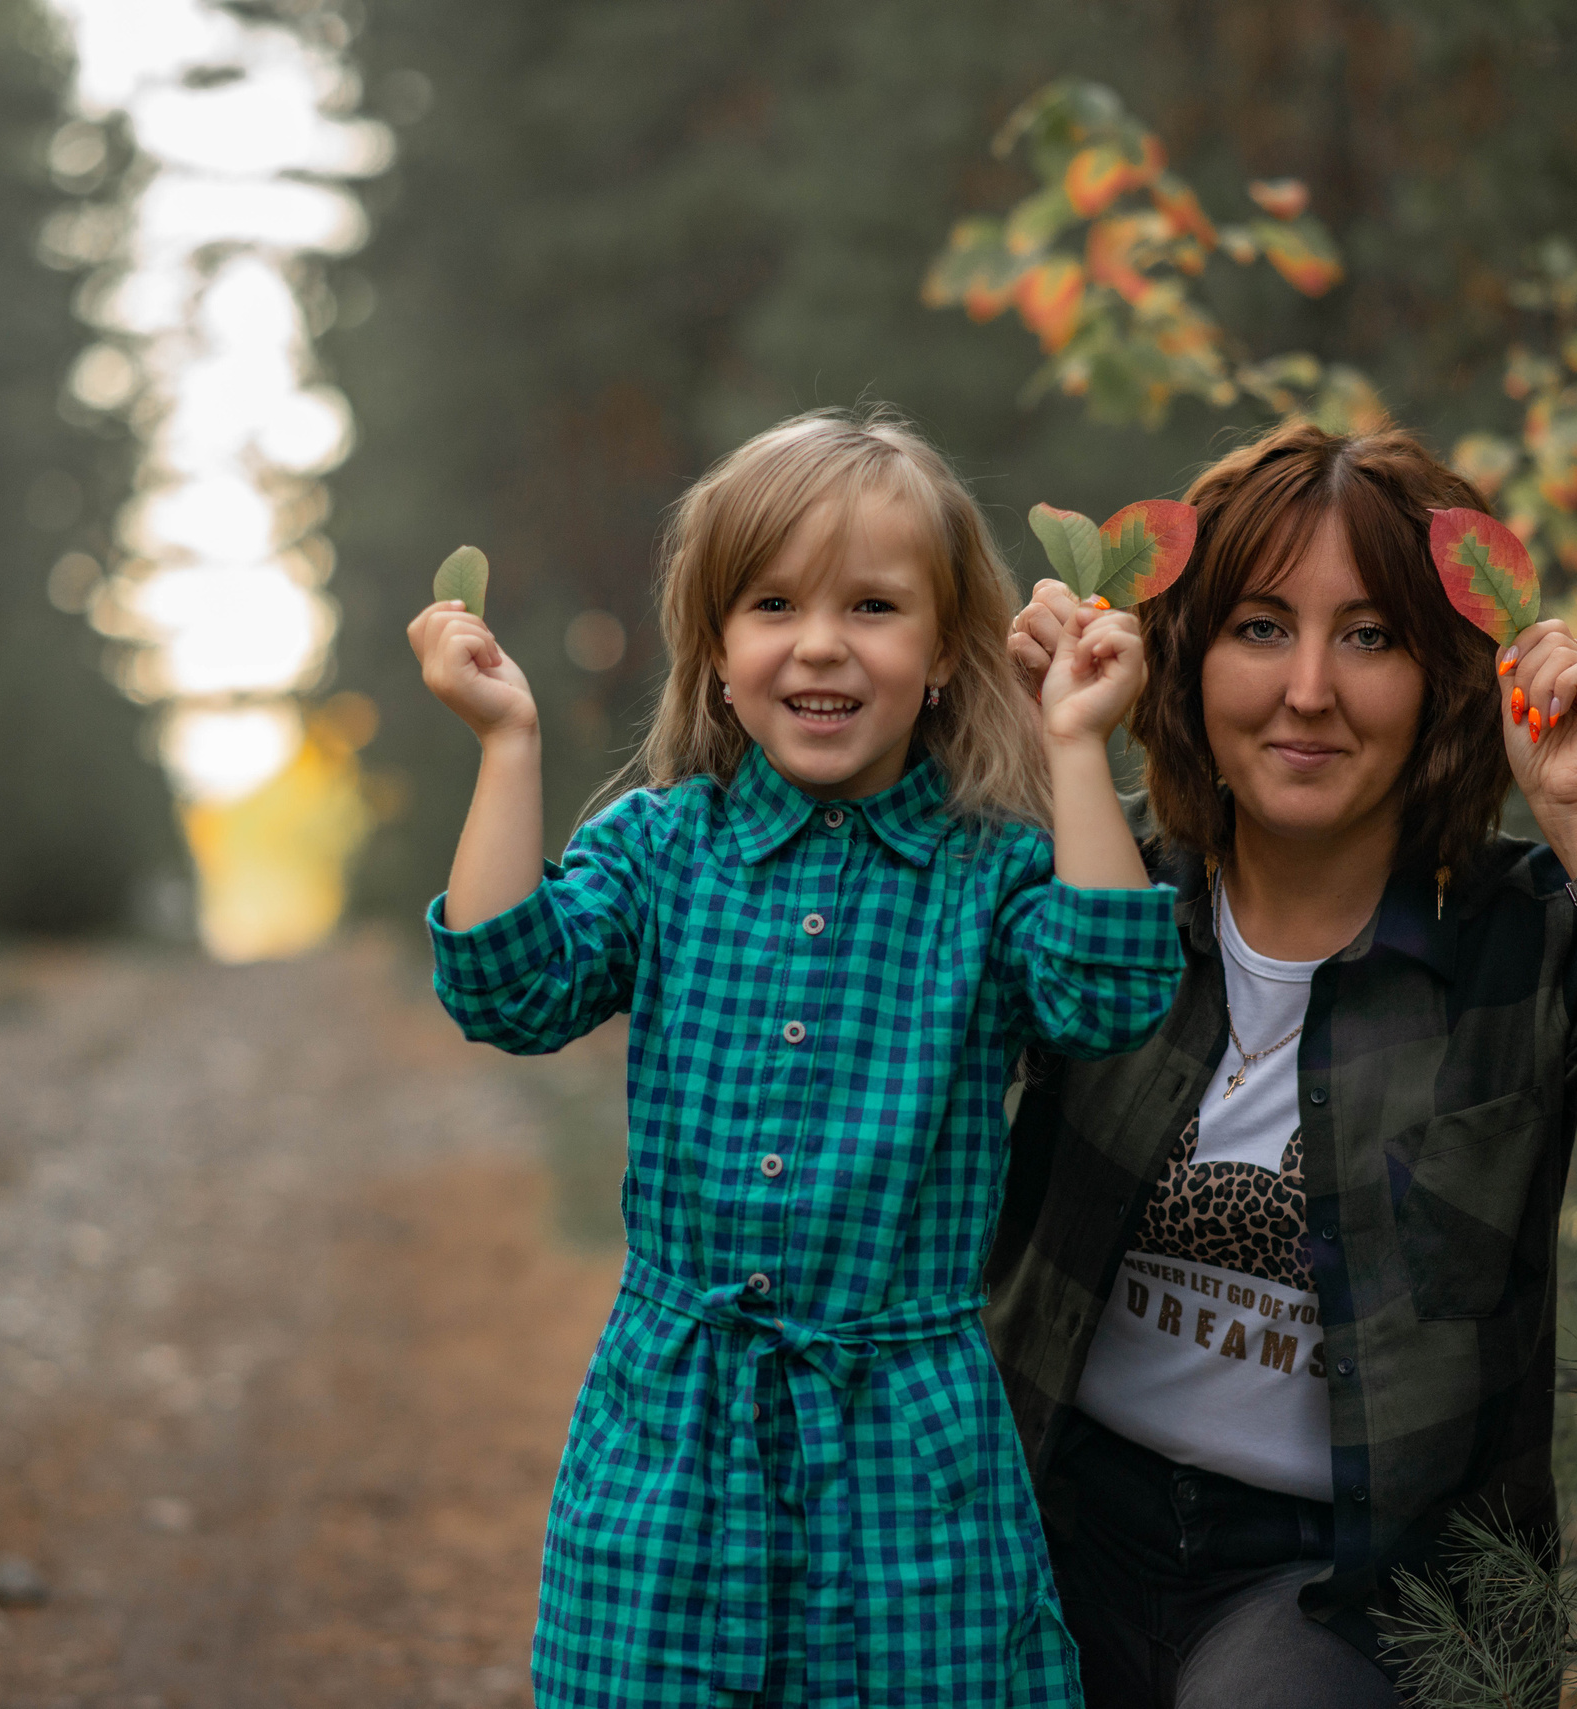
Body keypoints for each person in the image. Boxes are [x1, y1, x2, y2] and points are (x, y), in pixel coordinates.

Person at [990, 421, 1577, 1709]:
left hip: (1355, 1588)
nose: (1309, 689)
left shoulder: (1520, 939)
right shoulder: (1103, 897)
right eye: (1261, 628)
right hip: (1047, 1524)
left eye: (1370, 636)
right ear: (1187, 656)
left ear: (1442, 673)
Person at [410, 408, 1185, 1708]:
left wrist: (1077, 741)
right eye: (773, 603)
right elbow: (509, 984)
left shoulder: (987, 868)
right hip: (675, 1430)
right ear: (718, 651)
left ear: (942, 651)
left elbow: (1108, 987)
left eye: (874, 606)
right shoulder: (661, 850)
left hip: (907, 1442)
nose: (821, 642)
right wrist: (507, 743)